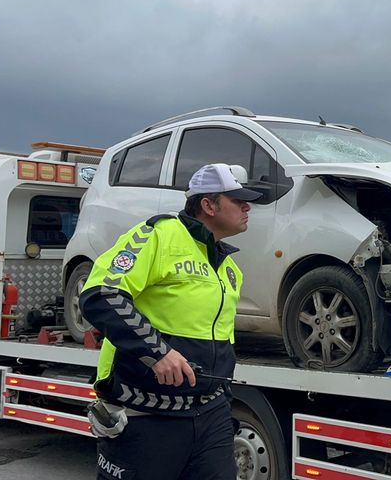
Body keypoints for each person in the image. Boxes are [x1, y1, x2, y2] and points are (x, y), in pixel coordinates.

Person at [80, 163, 261, 480]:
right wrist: (157, 352)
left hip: (210, 413)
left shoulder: (228, 267)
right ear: (208, 204)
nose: (248, 207)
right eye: (238, 199)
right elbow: (100, 294)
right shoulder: (158, 236)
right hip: (147, 414)